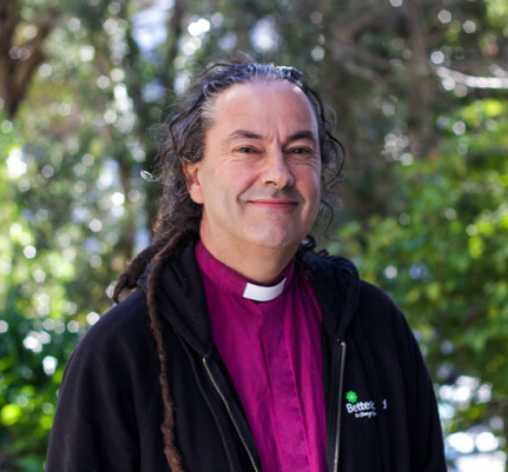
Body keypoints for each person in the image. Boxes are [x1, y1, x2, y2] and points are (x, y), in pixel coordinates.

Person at [46, 60, 446, 472]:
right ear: (194, 178)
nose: (279, 175)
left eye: (299, 151)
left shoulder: (374, 325)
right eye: (247, 149)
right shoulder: (122, 352)